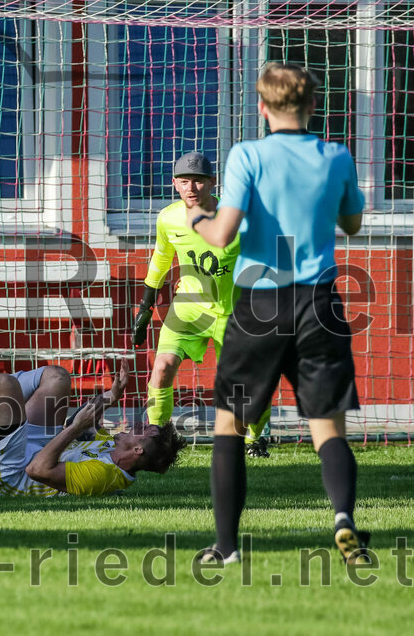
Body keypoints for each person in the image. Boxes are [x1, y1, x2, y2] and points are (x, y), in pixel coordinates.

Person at [188, 63, 367, 564]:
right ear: (312, 106)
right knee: (327, 428)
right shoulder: (336, 156)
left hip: (261, 300)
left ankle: (225, 549)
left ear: (263, 109)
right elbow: (352, 224)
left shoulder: (247, 154)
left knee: (230, 425)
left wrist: (199, 216)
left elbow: (222, 234)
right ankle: (343, 520)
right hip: (320, 303)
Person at [132, 152, 273, 457]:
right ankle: (157, 437)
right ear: (175, 184)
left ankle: (255, 437)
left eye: (198, 181)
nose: (191, 188)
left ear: (212, 182)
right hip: (189, 308)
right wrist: (145, 307)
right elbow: (160, 260)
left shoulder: (240, 217)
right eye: (184, 181)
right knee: (162, 368)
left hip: (235, 312)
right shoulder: (168, 218)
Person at [0, 359, 185, 497]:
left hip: (7, 475)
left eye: (144, 430)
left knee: (5, 385)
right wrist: (108, 398)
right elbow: (83, 421)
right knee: (57, 377)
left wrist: (75, 426)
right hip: (33, 449)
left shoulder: (102, 475)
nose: (139, 424)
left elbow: (37, 470)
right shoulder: (114, 448)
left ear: (137, 449)